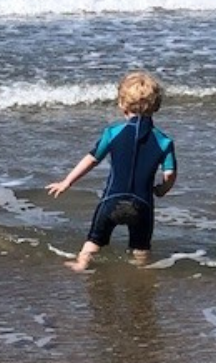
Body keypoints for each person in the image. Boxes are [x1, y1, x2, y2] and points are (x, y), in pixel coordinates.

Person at [46, 71, 177, 271]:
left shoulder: (113, 133)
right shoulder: (164, 141)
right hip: (142, 206)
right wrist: (162, 189)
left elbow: (92, 159)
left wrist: (67, 182)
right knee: (140, 250)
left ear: (122, 104)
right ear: (157, 106)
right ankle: (141, 278)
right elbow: (169, 174)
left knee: (93, 242)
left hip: (111, 202)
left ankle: (81, 265)